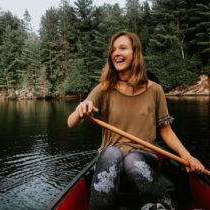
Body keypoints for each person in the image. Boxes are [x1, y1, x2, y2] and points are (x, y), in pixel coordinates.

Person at [67, 31, 205, 210]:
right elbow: (71, 122)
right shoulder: (104, 89)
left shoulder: (155, 90)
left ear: (136, 53)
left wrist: (188, 157)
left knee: (132, 158)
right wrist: (80, 111)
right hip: (110, 162)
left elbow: (166, 130)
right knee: (111, 153)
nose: (116, 53)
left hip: (143, 160)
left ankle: (165, 205)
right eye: (113, 49)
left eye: (123, 48)